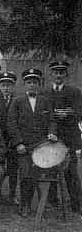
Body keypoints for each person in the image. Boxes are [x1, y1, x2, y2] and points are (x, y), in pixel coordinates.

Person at [7, 68, 58, 217]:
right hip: (24, 147)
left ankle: (46, 203)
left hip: (42, 145)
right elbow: (11, 123)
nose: (32, 85)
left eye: (35, 82)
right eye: (29, 82)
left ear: (39, 84)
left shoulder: (45, 101)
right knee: (26, 175)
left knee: (45, 174)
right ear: (24, 84)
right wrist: (18, 143)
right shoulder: (17, 101)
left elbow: (52, 121)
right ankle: (25, 205)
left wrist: (52, 133)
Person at [41, 60, 82, 216]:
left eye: (61, 72)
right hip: (51, 136)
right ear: (51, 74)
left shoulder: (75, 92)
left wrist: (68, 113)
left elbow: (80, 112)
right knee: (50, 168)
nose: (58, 75)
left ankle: (76, 204)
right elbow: (41, 112)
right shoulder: (44, 92)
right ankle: (52, 202)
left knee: (71, 171)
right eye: (56, 72)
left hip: (69, 137)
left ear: (66, 74)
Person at [0, 71, 18, 204]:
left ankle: (12, 194)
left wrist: (17, 139)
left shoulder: (18, 100)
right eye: (3, 85)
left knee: (13, 168)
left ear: (13, 86)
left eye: (9, 85)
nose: (6, 88)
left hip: (13, 141)